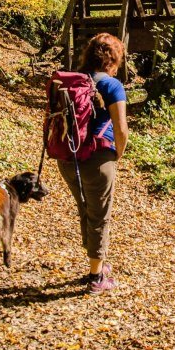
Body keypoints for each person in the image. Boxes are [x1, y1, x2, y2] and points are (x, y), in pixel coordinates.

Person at [57, 32, 128, 294]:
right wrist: (118, 154)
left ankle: (96, 261)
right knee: (99, 216)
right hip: (97, 158)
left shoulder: (75, 81)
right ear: (114, 59)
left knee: (86, 208)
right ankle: (96, 277)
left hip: (67, 156)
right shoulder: (111, 85)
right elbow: (121, 128)